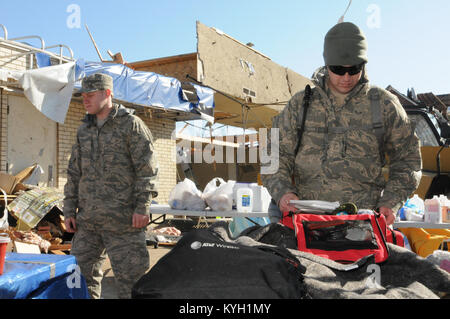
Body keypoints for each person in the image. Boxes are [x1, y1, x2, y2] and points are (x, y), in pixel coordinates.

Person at [261, 22, 422, 225]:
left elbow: (408, 160)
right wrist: (283, 192)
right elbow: (273, 154)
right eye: (338, 70)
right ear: (326, 65)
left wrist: (391, 201)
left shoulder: (384, 105)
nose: (346, 77)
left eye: (354, 69)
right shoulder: (301, 104)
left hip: (361, 224)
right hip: (305, 222)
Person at [63, 73, 159, 299]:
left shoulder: (131, 125)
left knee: (131, 283)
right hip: (88, 222)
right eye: (83, 95)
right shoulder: (83, 130)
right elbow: (74, 172)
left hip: (124, 222)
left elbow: (147, 169)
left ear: (107, 94)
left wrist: (142, 207)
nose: (85, 99)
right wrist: (69, 210)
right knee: (79, 279)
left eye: (91, 95)